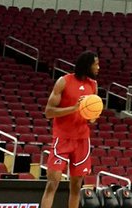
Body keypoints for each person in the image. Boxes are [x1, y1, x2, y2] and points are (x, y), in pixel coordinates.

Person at [39, 50, 100, 208]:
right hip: (63, 138)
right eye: (96, 64)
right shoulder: (63, 81)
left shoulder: (93, 85)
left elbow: (92, 119)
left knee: (77, 186)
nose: (98, 67)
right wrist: (74, 108)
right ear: (87, 65)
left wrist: (92, 115)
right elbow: (48, 112)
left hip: (82, 140)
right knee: (52, 183)